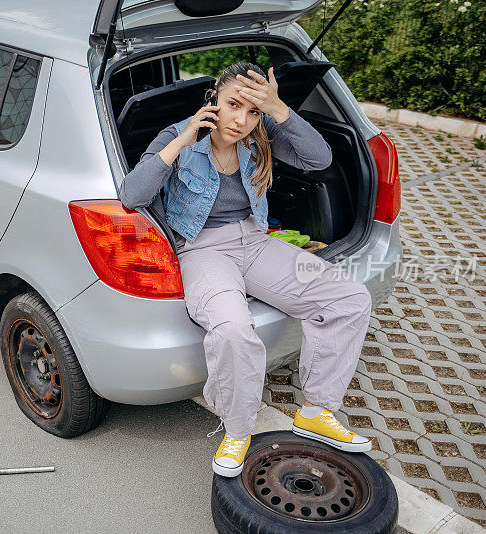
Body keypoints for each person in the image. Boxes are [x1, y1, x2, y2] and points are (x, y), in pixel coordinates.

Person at [117, 61, 373, 478]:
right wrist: (181, 141)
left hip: (255, 241)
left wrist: (278, 110)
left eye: (252, 110)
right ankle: (237, 429)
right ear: (213, 98)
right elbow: (131, 194)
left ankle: (316, 411)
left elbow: (320, 158)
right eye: (234, 104)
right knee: (234, 329)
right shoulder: (180, 135)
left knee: (350, 298)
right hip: (202, 250)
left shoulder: (261, 134)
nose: (240, 119)